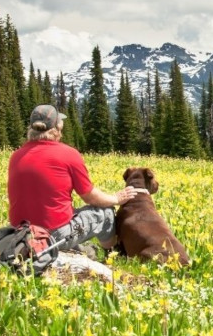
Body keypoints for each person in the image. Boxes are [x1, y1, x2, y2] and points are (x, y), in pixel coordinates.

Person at [8, 104, 137, 252]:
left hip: (20, 233)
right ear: (57, 129)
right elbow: (90, 197)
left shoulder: (16, 156)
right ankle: (111, 254)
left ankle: (76, 250)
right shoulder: (68, 154)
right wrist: (116, 199)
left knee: (70, 212)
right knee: (105, 213)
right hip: (52, 235)